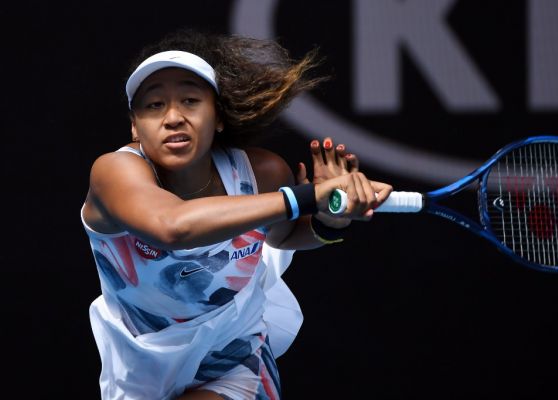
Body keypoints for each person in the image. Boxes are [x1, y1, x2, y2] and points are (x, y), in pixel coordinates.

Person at [80, 28, 392, 400]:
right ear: (135, 126)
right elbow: (172, 226)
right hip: (140, 366)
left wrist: (329, 218)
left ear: (219, 117)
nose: (174, 117)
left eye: (191, 101)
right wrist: (308, 196)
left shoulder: (262, 174)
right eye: (154, 105)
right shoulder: (114, 172)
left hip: (234, 355)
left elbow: (284, 236)